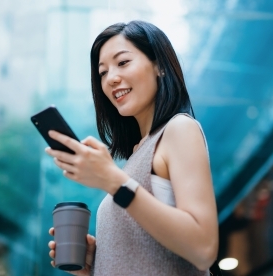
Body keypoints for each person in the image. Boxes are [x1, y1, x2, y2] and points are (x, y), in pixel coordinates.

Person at [47, 20, 218, 275]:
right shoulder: (135, 157)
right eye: (102, 72)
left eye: (123, 62)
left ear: (159, 65)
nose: (111, 78)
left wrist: (113, 180)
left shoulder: (179, 129)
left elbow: (203, 249)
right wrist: (95, 266)